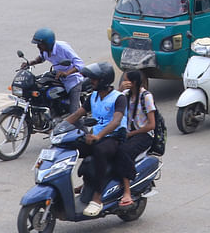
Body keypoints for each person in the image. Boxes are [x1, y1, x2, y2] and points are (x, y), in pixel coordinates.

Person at [64, 63, 128, 218]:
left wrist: (99, 136)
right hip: (95, 137)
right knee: (68, 145)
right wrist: (60, 127)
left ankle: (97, 197)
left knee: (99, 151)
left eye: (93, 79)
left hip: (113, 138)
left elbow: (116, 121)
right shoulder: (93, 96)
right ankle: (81, 183)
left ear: (103, 80)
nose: (90, 81)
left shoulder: (118, 98)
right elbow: (78, 113)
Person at [116, 70, 156, 208]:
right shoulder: (125, 95)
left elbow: (151, 125)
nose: (124, 82)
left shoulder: (146, 97)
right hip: (128, 133)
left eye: (126, 80)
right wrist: (119, 90)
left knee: (123, 152)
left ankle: (127, 191)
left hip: (143, 135)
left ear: (133, 83)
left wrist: (132, 134)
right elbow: (111, 105)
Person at [25, 28, 85, 114]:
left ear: (48, 43)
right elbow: (41, 58)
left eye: (40, 44)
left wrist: (66, 73)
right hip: (58, 76)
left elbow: (80, 64)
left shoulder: (63, 48)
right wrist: (30, 63)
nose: (38, 46)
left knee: (74, 113)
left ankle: (81, 126)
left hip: (73, 80)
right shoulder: (45, 50)